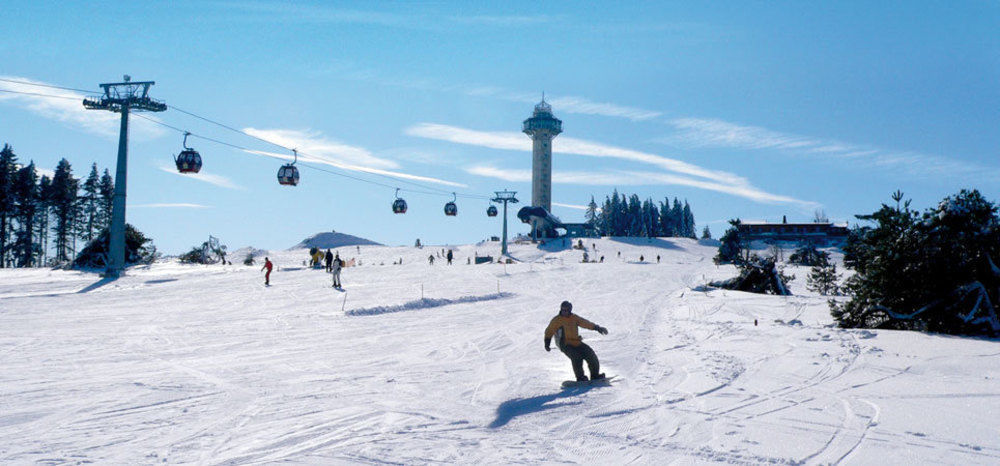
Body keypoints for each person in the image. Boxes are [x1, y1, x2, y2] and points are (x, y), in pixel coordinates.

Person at [544, 301, 608, 382]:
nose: (564, 312)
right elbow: (549, 331)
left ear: (570, 310)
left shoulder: (574, 318)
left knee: (590, 354)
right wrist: (547, 343)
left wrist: (597, 328)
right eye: (563, 310)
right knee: (576, 357)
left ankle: (595, 375)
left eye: (566, 310)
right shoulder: (557, 320)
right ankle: (580, 377)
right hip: (565, 344)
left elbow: (585, 323)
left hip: (576, 342)